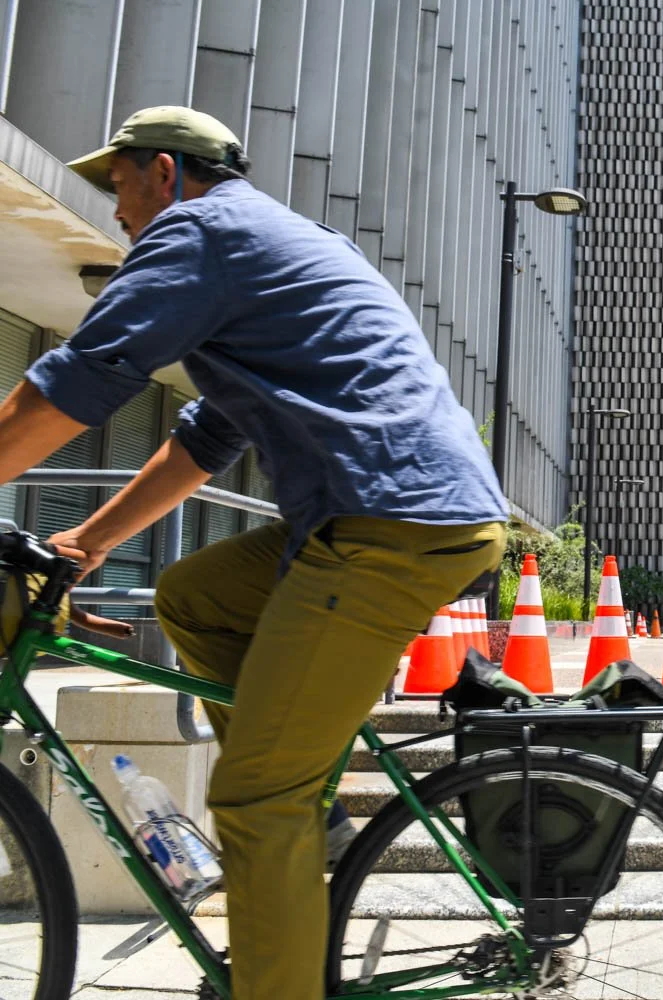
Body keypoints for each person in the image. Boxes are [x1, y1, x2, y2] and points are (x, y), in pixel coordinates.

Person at [0, 106, 508, 999]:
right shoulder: (262, 243)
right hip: (395, 509)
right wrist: (85, 541)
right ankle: (307, 804)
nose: (118, 213)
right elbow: (204, 439)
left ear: (162, 172)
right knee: (195, 596)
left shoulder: (200, 231)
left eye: (118, 187)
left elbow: (77, 382)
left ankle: (287, 822)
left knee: (252, 799)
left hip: (388, 521)